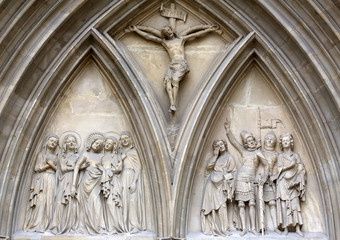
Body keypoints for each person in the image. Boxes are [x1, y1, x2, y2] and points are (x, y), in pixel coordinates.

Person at [129, 24, 220, 112]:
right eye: (166, 32)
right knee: (167, 82)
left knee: (175, 80)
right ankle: (172, 104)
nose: (169, 32)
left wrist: (208, 29)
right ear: (164, 35)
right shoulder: (165, 42)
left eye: (169, 30)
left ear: (172, 30)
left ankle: (173, 103)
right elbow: (149, 36)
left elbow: (196, 34)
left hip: (181, 64)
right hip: (172, 65)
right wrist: (137, 30)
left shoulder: (181, 39)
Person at [224, 120, 268, 236]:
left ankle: (253, 228)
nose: (251, 142)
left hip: (251, 179)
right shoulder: (243, 152)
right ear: (246, 144)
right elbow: (234, 143)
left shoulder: (258, 153)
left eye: (252, 140)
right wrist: (228, 131)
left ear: (254, 141)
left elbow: (266, 165)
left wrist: (264, 178)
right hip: (240, 178)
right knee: (241, 204)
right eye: (248, 141)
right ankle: (244, 228)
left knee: (252, 203)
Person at [71, 133, 106, 234]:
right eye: (96, 143)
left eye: (100, 145)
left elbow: (105, 168)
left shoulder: (101, 156)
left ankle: (99, 227)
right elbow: (77, 166)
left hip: (96, 183)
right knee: (84, 206)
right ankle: (84, 226)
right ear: (92, 142)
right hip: (85, 183)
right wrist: (73, 185)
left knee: (97, 203)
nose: (97, 145)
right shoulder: (85, 154)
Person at [201, 139, 236, 236]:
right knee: (211, 206)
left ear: (225, 144)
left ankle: (224, 229)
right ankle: (213, 227)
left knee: (222, 205)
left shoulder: (229, 158)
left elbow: (233, 173)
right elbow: (208, 167)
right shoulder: (215, 158)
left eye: (221, 143)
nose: (221, 146)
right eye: (218, 145)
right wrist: (215, 156)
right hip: (211, 184)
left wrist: (226, 177)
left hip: (222, 184)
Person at [24, 134, 59, 232]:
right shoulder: (41, 155)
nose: (53, 143)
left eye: (55, 142)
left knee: (50, 201)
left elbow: (58, 170)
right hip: (41, 180)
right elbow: (37, 168)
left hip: (51, 179)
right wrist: (48, 166)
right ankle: (37, 223)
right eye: (51, 140)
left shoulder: (56, 157)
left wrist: (51, 165)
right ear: (47, 142)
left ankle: (46, 224)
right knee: (40, 201)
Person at [275, 133, 306, 237]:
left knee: (295, 204)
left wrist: (297, 181)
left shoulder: (295, 156)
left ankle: (297, 228)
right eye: (283, 141)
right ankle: (286, 228)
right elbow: (279, 169)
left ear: (291, 142)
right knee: (284, 205)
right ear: (281, 144)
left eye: (287, 140)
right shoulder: (280, 156)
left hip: (293, 182)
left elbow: (301, 169)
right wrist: (289, 166)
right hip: (283, 182)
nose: (285, 142)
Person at [52, 133, 80, 234]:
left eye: (73, 141)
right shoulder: (62, 156)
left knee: (73, 203)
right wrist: (78, 167)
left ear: (76, 144)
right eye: (69, 141)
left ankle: (71, 226)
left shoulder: (78, 156)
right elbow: (63, 169)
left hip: (75, 180)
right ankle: (59, 225)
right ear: (65, 144)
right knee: (60, 202)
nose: (71, 143)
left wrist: (78, 167)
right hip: (64, 180)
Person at [120, 131, 146, 233]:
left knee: (132, 201)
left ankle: (134, 225)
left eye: (126, 137)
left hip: (131, 177)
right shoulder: (122, 153)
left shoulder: (133, 151)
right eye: (122, 139)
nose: (124, 140)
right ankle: (125, 225)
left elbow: (138, 167)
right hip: (123, 178)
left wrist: (134, 182)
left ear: (131, 138)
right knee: (124, 202)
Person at [101, 136, 123, 233]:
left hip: (113, 181)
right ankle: (108, 227)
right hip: (103, 182)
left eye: (110, 144)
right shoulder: (102, 157)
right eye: (106, 142)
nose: (107, 145)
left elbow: (118, 169)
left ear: (113, 146)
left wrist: (106, 171)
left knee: (112, 203)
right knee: (105, 204)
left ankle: (115, 227)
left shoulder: (116, 156)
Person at [261, 131, 281, 234]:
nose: (269, 140)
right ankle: (262, 226)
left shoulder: (276, 154)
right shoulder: (260, 152)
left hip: (270, 182)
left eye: (272, 139)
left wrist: (274, 176)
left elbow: (279, 169)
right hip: (261, 182)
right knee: (261, 204)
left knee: (272, 203)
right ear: (264, 140)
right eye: (268, 138)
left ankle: (275, 226)